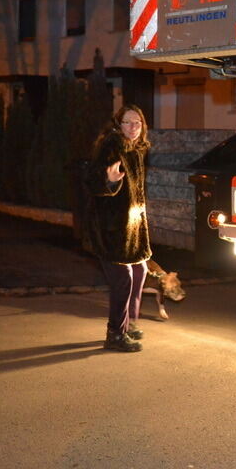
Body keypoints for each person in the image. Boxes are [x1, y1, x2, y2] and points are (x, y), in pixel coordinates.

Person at [85, 104, 153, 352]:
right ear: (118, 125)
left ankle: (129, 323)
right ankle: (115, 333)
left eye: (138, 122)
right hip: (110, 228)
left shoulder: (138, 148)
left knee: (139, 270)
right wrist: (108, 180)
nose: (133, 127)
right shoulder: (111, 147)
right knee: (123, 278)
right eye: (128, 122)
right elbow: (92, 180)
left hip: (131, 227)